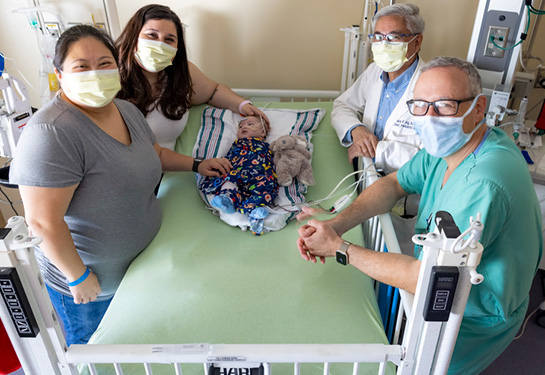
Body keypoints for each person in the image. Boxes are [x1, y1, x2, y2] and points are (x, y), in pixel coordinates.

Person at [297, 57, 542, 374]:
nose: (429, 118)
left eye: (444, 106)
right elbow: (395, 182)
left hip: (472, 317)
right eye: (419, 105)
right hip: (444, 285)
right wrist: (337, 224)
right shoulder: (453, 147)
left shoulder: (482, 183)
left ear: (479, 107)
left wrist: (340, 249)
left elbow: (426, 276)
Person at [9, 25, 231, 346]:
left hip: (140, 272)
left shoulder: (125, 110)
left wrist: (196, 165)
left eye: (104, 63)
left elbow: (153, 153)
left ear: (117, 65)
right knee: (96, 356)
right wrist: (79, 278)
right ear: (60, 74)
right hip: (94, 290)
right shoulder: (52, 132)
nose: (95, 74)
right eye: (81, 67)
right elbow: (43, 222)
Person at [116, 4, 269, 151]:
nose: (160, 45)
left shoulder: (181, 73)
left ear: (177, 47)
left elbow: (213, 91)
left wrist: (242, 105)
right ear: (134, 36)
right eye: (152, 35)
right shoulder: (110, 78)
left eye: (169, 39)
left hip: (166, 171)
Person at [332, 3, 424, 173]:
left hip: (405, 189)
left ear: (417, 42)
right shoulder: (375, 71)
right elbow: (343, 106)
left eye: (394, 37)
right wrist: (356, 129)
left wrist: (378, 151)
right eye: (378, 36)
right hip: (364, 173)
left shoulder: (432, 87)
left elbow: (434, 158)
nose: (383, 45)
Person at [200, 115, 278, 235]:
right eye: (240, 126)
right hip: (238, 172)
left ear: (262, 132)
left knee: (266, 186)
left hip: (259, 174)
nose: (244, 127)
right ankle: (227, 199)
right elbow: (229, 158)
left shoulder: (268, 146)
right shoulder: (236, 144)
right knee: (228, 179)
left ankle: (255, 210)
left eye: (250, 124)